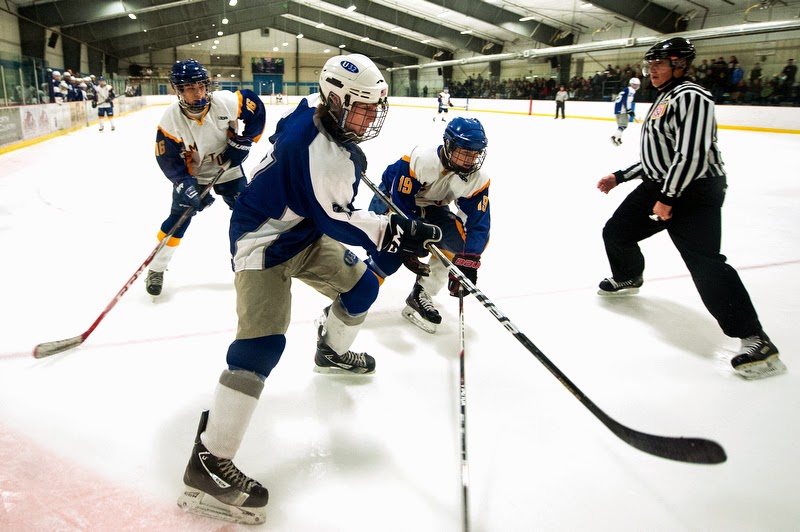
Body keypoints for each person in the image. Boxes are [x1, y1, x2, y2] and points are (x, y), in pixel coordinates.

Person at [176, 54, 441, 524]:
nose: (368, 118)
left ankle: (332, 353)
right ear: (334, 98)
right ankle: (208, 464)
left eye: (372, 108)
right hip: (263, 240)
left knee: (361, 288)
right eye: (359, 108)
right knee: (262, 344)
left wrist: (371, 200)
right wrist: (398, 234)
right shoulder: (318, 150)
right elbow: (337, 218)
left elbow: (290, 139)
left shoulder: (314, 116)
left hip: (300, 232)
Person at [595, 37, 785, 380]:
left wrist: (666, 199)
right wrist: (621, 176)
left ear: (680, 65)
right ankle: (628, 274)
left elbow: (691, 155)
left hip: (694, 192)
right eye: (649, 64)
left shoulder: (692, 97)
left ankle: (758, 341)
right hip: (661, 185)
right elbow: (660, 155)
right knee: (617, 232)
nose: (652, 70)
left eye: (660, 64)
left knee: (704, 262)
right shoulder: (664, 98)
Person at [145, 59, 266, 296]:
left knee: (247, 215)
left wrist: (244, 141)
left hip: (228, 168)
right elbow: (167, 158)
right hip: (194, 174)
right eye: (190, 88)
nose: (198, 93)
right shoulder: (170, 119)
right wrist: (183, 183)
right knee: (177, 220)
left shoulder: (226, 102)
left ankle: (244, 264)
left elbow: (255, 107)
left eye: (201, 85)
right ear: (178, 90)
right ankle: (156, 268)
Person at [366, 117, 490, 333]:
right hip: (391, 199)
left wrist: (468, 262)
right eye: (465, 151)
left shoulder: (477, 179)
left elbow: (479, 223)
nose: (472, 159)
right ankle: (351, 298)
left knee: (457, 246)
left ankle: (421, 293)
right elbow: (400, 203)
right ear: (449, 145)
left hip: (434, 206)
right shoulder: (422, 159)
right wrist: (408, 246)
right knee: (388, 256)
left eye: (476, 153)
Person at [611, 77, 640, 145]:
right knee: (624, 125)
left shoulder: (625, 89)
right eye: (637, 84)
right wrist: (629, 110)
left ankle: (618, 139)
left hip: (617, 110)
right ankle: (614, 137)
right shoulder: (631, 90)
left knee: (620, 126)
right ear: (633, 84)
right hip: (622, 110)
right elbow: (627, 101)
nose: (638, 86)